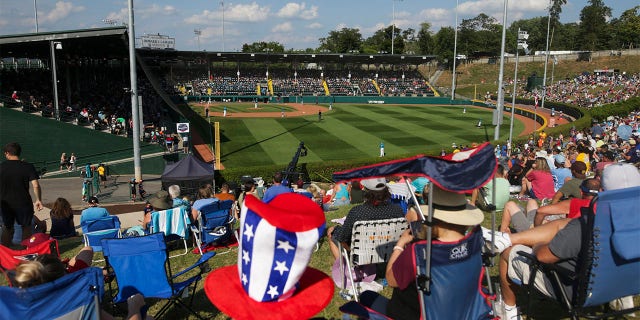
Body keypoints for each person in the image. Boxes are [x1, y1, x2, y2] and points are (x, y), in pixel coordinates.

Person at [485, 163, 640, 320]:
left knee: (508, 252)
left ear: (602, 191)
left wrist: (537, 245)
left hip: (577, 291)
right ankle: (507, 238)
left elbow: (544, 256)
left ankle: (508, 311)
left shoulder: (588, 224)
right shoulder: (632, 223)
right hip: (621, 286)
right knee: (561, 225)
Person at [361, 186, 485, 319]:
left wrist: (400, 244)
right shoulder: (472, 245)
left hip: (414, 314)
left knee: (366, 296)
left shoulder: (420, 251)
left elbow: (391, 279)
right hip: (462, 312)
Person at [13, 246, 153, 320]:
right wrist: (134, 307)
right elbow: (88, 250)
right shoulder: (81, 304)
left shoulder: (16, 310)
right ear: (65, 274)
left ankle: (104, 272)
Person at [327, 178, 405, 262]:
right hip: (389, 251)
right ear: (386, 190)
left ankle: (344, 267)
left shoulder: (357, 211)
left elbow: (342, 237)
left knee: (332, 232)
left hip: (361, 255)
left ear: (366, 192)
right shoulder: (397, 210)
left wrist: (335, 229)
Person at [0, 142, 44, 247]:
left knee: (7, 227)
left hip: (5, 203)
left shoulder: (1, 167)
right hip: (23, 202)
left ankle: (5, 252)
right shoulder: (28, 166)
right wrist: (38, 199)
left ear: (7, 153)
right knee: (26, 227)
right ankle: (25, 251)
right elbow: (36, 185)